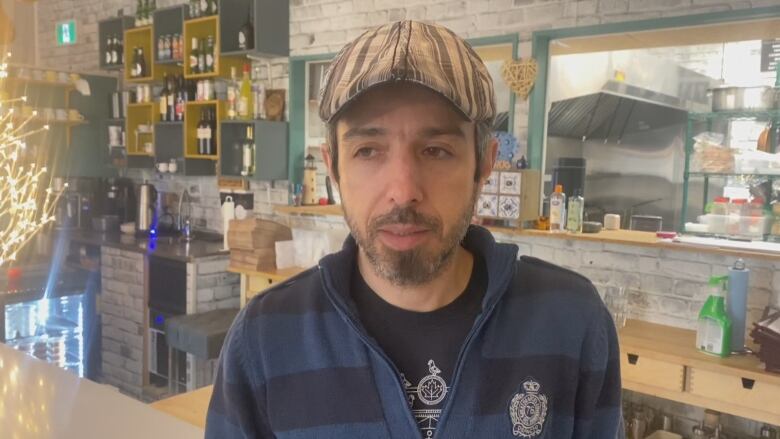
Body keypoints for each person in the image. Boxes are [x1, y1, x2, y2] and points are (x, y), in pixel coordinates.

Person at [206, 20, 623, 439]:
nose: (403, 192)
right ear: (332, 166)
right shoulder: (265, 339)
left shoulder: (572, 321)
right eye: (367, 150)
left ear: (484, 164)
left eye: (436, 150)